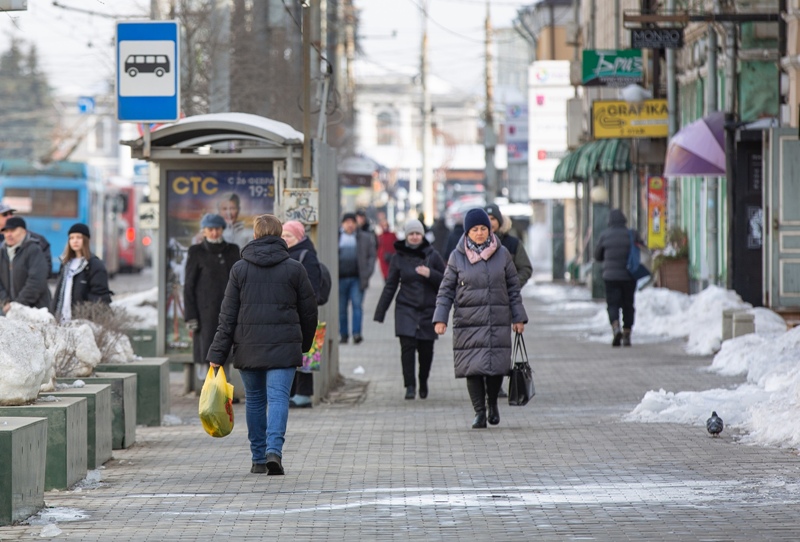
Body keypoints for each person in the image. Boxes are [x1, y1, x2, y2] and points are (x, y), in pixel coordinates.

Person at [207, 214, 318, 475]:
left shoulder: (239, 269)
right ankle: (273, 452)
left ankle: (258, 458)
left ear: (255, 235)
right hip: (284, 347)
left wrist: (217, 353)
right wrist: (304, 344)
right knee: (279, 398)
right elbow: (309, 311)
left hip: (248, 347)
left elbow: (228, 315)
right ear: (280, 236)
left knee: (255, 401)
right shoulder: (294, 268)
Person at [433, 208, 527, 429]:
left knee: (495, 368)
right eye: (474, 229)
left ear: (490, 229)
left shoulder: (502, 254)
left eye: (483, 228)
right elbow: (446, 290)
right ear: (467, 232)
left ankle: (492, 403)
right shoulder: (457, 257)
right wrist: (441, 318)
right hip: (468, 322)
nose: (479, 233)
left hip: (497, 319)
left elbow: (513, 287)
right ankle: (479, 412)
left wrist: (518, 318)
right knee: (472, 368)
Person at [374, 219, 445, 400]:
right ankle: (410, 386)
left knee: (426, 350)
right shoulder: (398, 258)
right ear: (406, 236)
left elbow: (446, 282)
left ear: (422, 236)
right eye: (411, 234)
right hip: (405, 308)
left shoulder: (433, 255)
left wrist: (430, 274)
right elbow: (390, 285)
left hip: (428, 308)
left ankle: (423, 381)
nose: (414, 237)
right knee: (407, 347)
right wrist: (380, 312)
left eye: (417, 234)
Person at [184, 213, 241, 385]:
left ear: (222, 230)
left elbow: (240, 281)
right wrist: (191, 316)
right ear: (204, 231)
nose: (214, 233)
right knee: (207, 351)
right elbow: (189, 286)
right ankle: (208, 389)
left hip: (229, 310)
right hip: (205, 313)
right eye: (210, 229)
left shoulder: (232, 250)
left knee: (229, 351)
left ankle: (225, 389)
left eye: (217, 229)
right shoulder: (196, 251)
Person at [282, 220, 322, 409]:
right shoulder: (284, 255)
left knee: (305, 353)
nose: (285, 239)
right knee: (291, 354)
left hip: (303, 312)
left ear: (298, 236)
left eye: (289, 236)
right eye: (282, 236)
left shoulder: (307, 255)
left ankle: (304, 393)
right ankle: (291, 392)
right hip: (288, 312)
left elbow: (313, 286)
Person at [594, 209, 643, 347]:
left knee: (612, 304)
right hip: (629, 276)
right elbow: (642, 250)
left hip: (610, 277)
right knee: (628, 305)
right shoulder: (632, 234)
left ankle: (616, 328)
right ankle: (627, 334)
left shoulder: (605, 235)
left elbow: (597, 256)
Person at [51, 223, 112, 322]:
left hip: (83, 321)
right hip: (62, 319)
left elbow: (100, 297)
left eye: (79, 237)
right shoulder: (66, 264)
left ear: (86, 239)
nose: (75, 241)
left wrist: (88, 317)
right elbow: (59, 294)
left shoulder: (94, 264)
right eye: (71, 238)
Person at [338, 212, 377, 344]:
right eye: (347, 222)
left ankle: (356, 333)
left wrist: (367, 272)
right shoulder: (337, 237)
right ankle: (343, 334)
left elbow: (372, 256)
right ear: (342, 224)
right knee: (341, 309)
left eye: (352, 222)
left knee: (357, 306)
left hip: (357, 278)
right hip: (340, 278)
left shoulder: (364, 237)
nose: (349, 225)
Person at [0, 216, 51, 313]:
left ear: (24, 232)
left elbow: (37, 281)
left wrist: (18, 304)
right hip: (8, 309)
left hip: (34, 311)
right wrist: (5, 301)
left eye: (13, 230)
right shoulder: (2, 252)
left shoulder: (34, 250)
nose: (9, 234)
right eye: (6, 231)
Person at [484, 204, 533, 286]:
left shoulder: (513, 243)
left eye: (493, 219)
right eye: (486, 218)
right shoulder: (475, 244)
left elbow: (525, 269)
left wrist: (511, 286)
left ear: (499, 221)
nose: (490, 222)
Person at [0, 203, 53, 276]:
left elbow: (46, 269)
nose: (10, 216)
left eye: (11, 213)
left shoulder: (35, 239)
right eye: (5, 214)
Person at [376, 214, 397, 280]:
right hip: (383, 259)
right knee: (386, 276)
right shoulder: (379, 236)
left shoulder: (392, 235)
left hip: (392, 257)